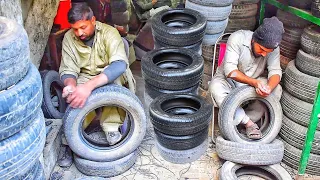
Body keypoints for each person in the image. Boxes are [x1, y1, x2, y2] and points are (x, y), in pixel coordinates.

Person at [57, 3, 135, 167]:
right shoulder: (69, 38)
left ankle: (111, 127)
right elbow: (68, 69)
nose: (79, 33)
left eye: (83, 27)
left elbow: (119, 64)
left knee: (117, 82)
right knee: (75, 94)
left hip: (108, 74)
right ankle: (70, 141)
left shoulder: (109, 33)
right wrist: (70, 85)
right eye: (75, 29)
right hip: (84, 75)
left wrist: (89, 87)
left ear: (93, 20)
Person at [209, 17, 284, 139]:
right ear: (254, 39)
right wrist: (254, 83)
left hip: (254, 81)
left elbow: (275, 71)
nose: (264, 54)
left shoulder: (272, 49)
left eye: (268, 52)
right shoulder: (237, 38)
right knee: (215, 87)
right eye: (262, 49)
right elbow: (230, 71)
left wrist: (269, 88)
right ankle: (248, 123)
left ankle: (243, 121)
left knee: (277, 89)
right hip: (229, 80)